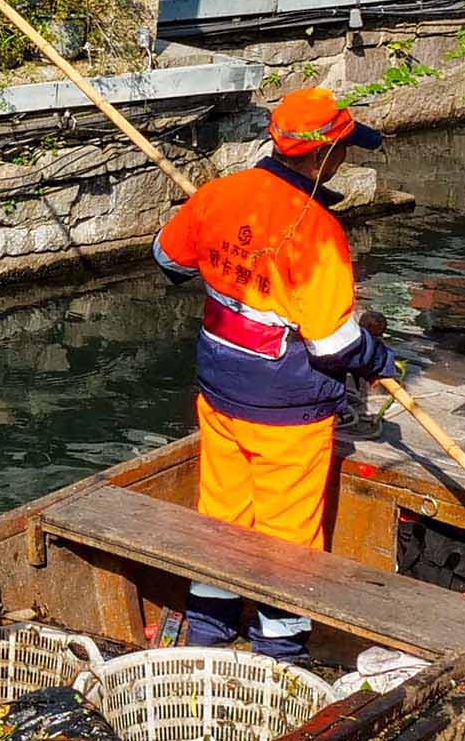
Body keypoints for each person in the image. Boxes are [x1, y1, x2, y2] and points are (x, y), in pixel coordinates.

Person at [148, 84, 394, 654]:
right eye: (344, 151)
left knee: (222, 514)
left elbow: (167, 259)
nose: (346, 160)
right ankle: (279, 648)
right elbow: (334, 345)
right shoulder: (317, 234)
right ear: (324, 155)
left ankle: (208, 630)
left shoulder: (222, 193)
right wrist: (381, 360)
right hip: (285, 404)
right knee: (289, 535)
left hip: (219, 384)